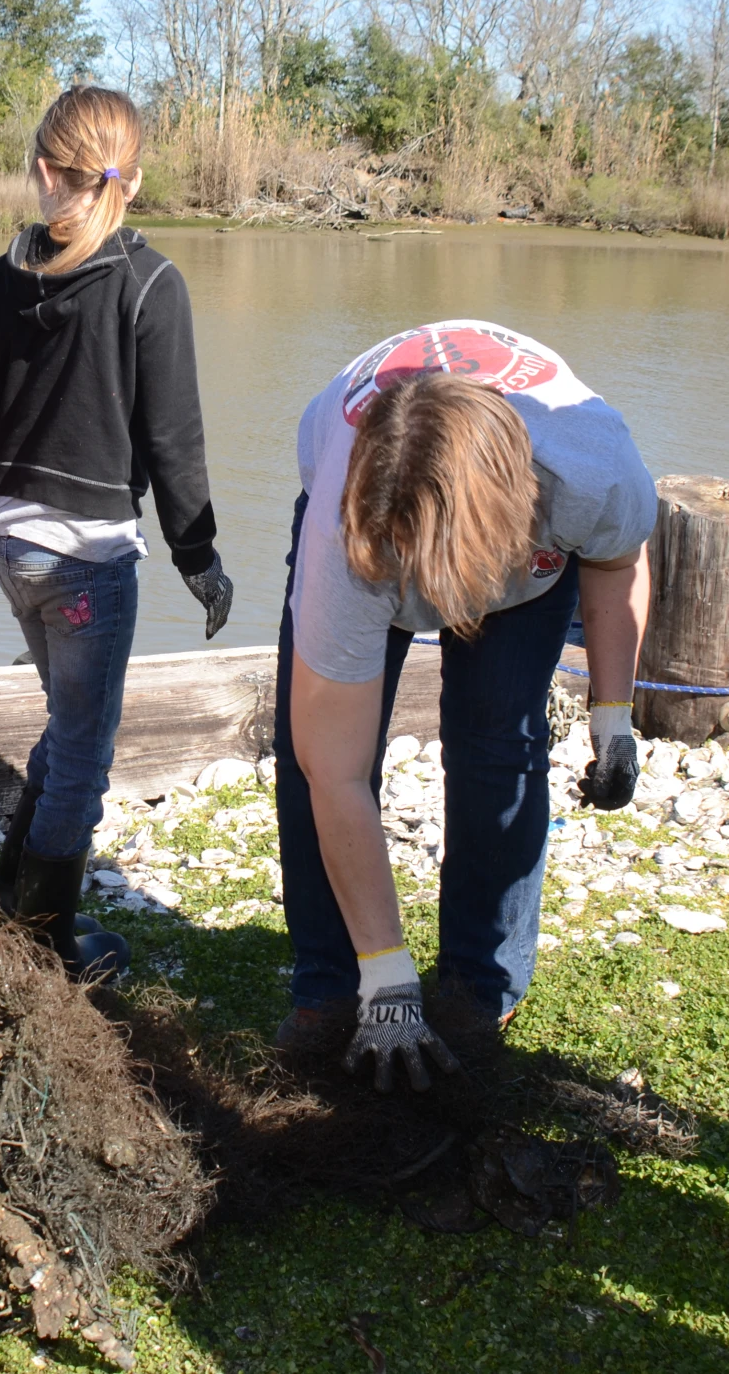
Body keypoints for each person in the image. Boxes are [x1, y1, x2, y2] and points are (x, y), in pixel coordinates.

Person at [271, 321, 655, 1089]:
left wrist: (614, 719)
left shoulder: (594, 473)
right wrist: (388, 979)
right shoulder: (344, 533)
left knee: (497, 747)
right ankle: (335, 981)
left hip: (522, 563)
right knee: (310, 757)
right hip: (367, 539)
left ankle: (482, 985)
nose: (435, 602)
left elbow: (616, 565)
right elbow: (335, 773)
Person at [0, 85, 232, 980]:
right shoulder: (151, 284)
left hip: (19, 556)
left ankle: (4, 900)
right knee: (84, 755)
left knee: (65, 728)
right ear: (131, 182)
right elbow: (173, 440)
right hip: (88, 563)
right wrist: (200, 556)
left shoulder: (3, 277)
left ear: (42, 171)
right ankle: (45, 945)